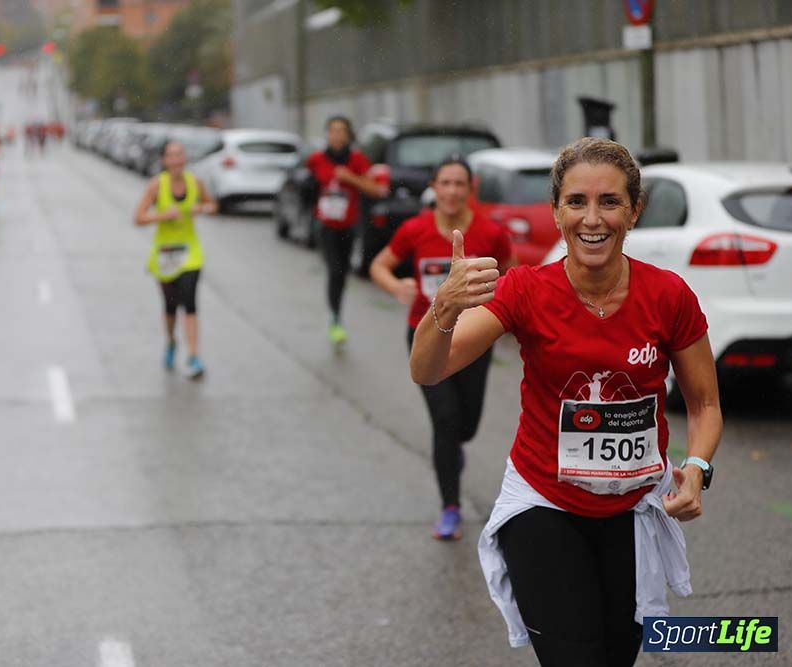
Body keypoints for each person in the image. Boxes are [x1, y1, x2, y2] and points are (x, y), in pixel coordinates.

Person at [409, 137, 722, 666]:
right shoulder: (525, 289)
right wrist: (445, 304)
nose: (592, 219)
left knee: (617, 654)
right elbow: (428, 369)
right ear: (556, 211)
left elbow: (704, 405)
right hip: (543, 503)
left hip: (633, 510)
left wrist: (696, 467)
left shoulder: (669, 295)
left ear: (634, 211)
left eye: (610, 202)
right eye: (576, 201)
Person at [371, 157, 515, 540]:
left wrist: (504, 309)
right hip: (428, 334)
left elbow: (512, 274)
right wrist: (396, 286)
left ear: (470, 189)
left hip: (474, 337)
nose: (451, 191)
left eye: (459, 183)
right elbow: (379, 265)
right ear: (433, 187)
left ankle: (454, 449)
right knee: (445, 419)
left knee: (466, 425)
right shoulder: (414, 229)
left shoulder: (490, 232)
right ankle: (450, 507)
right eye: (445, 183)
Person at [134, 140, 217, 379]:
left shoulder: (195, 182)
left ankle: (193, 356)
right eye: (172, 155)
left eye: (180, 154)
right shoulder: (156, 185)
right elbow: (139, 217)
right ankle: (171, 341)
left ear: (185, 158)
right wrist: (162, 215)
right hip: (165, 254)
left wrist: (201, 209)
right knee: (170, 307)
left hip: (191, 253)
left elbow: (212, 205)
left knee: (190, 303)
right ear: (164, 160)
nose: (177, 159)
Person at [306, 116, 388, 345]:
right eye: (333, 130)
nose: (337, 135)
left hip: (349, 226)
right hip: (325, 226)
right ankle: (335, 319)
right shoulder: (316, 159)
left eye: (341, 130)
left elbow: (377, 190)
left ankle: (337, 312)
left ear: (348, 135)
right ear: (327, 134)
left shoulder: (357, 160)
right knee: (334, 270)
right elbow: (309, 184)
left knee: (342, 273)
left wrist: (350, 178)